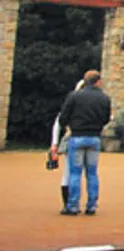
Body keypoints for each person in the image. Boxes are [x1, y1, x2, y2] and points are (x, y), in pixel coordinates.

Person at [57, 70, 110, 216]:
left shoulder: (74, 96)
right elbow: (106, 118)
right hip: (94, 137)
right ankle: (91, 205)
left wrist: (71, 124)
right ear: (98, 82)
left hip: (77, 136)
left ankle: (73, 206)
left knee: (75, 173)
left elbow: (63, 117)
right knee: (92, 173)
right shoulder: (104, 98)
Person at [50, 79, 86, 212]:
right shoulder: (77, 103)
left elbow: (58, 123)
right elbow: (58, 123)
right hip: (75, 139)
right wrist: (54, 143)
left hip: (75, 139)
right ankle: (70, 203)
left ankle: (71, 203)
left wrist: (54, 144)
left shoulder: (74, 102)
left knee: (73, 173)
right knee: (71, 173)